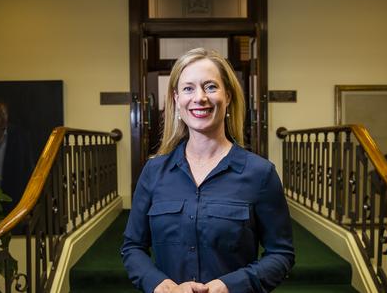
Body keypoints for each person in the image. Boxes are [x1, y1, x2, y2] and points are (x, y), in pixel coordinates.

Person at [121, 48, 295, 293]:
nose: (199, 97)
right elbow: (132, 247)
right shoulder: (154, 171)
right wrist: (160, 285)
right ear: (176, 99)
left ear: (229, 97)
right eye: (188, 88)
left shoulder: (260, 174)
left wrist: (230, 285)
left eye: (211, 87)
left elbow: (281, 254)